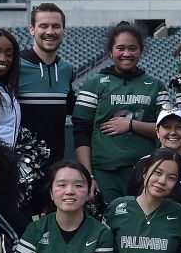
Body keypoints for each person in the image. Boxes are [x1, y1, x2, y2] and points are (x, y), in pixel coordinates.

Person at [73, 22, 171, 200]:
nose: (127, 53)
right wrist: (89, 176)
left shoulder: (156, 85)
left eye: (133, 48)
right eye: (120, 48)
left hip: (144, 170)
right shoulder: (93, 84)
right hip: (104, 171)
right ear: (111, 51)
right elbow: (81, 132)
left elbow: (167, 132)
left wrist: (131, 125)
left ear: (141, 50)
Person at [20, 3, 75, 215]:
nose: (50, 32)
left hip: (55, 167)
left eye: (56, 26)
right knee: (17, 236)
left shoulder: (67, 69)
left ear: (64, 31)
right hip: (20, 167)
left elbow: (72, 107)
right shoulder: (15, 66)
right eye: (44, 26)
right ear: (32, 29)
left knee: (52, 234)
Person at [127, 106, 181, 210]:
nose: (173, 132)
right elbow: (132, 201)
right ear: (157, 131)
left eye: (179, 127)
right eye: (167, 127)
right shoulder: (144, 162)